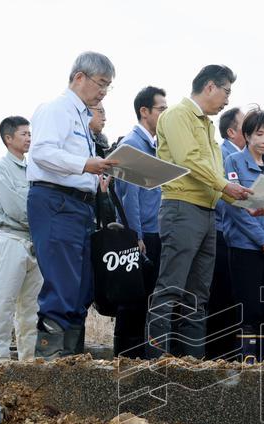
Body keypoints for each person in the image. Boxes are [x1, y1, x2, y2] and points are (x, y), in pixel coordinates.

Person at [145, 64, 255, 359]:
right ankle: (156, 361)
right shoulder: (177, 115)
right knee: (170, 287)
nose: (227, 100)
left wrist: (246, 204)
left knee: (198, 295)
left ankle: (193, 363)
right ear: (209, 87)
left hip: (207, 213)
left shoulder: (207, 125)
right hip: (182, 209)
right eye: (226, 92)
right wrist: (226, 187)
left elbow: (216, 177)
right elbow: (190, 160)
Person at [27, 52, 118, 359]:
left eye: (108, 85)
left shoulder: (81, 116)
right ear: (80, 77)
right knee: (62, 282)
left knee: (81, 287)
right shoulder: (56, 109)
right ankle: (50, 362)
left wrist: (96, 176)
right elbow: (42, 153)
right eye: (101, 83)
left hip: (80, 206)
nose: (104, 91)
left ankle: (72, 361)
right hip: (56, 201)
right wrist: (86, 164)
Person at [223, 109, 264, 363]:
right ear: (247, 135)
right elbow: (235, 207)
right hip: (245, 247)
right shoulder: (233, 162)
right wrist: (262, 239)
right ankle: (247, 363)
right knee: (248, 307)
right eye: (259, 134)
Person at [112, 85, 167, 357]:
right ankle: (125, 360)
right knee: (132, 302)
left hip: (153, 231)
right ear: (144, 111)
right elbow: (128, 196)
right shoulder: (132, 145)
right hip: (140, 234)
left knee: (145, 300)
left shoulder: (154, 146)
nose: (165, 115)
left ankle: (139, 359)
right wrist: (136, 236)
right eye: (161, 109)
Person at [0, 116, 43, 362]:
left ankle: (29, 361)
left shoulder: (33, 170)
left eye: (30, 134)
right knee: (3, 303)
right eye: (23, 134)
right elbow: (17, 208)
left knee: (32, 308)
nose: (29, 138)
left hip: (34, 242)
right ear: (8, 138)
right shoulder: (0, 170)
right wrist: (46, 220)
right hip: (11, 240)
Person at [204, 106, 246, 361]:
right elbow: (224, 198)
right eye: (246, 125)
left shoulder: (244, 157)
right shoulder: (223, 156)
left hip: (238, 236)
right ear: (231, 132)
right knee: (221, 298)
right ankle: (219, 357)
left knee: (232, 299)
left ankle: (228, 355)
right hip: (223, 233)